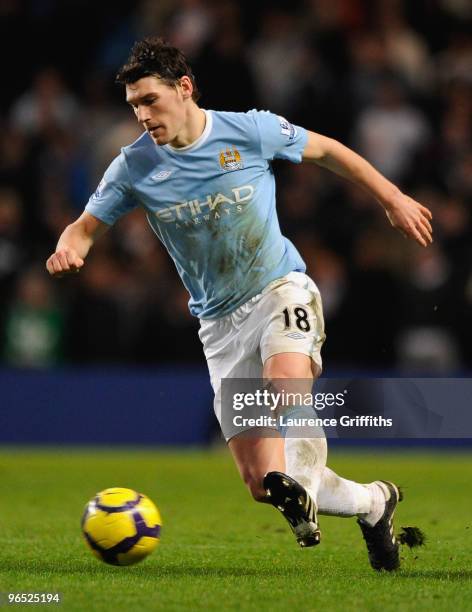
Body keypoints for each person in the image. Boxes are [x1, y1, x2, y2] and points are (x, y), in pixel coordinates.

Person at [46, 37, 431, 571]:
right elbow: (86, 226)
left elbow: (328, 151)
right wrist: (71, 245)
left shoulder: (248, 130)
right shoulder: (134, 166)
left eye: (150, 100)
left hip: (280, 289)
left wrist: (393, 197)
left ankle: (307, 489)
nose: (142, 115)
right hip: (219, 325)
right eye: (134, 105)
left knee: (288, 381)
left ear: (184, 88)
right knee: (262, 483)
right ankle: (373, 503)